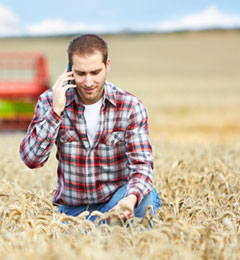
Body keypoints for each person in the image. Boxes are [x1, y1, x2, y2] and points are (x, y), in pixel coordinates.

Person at [19, 34, 161, 224]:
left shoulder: (129, 106)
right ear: (69, 70)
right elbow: (31, 159)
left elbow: (142, 165)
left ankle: (105, 233)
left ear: (107, 65)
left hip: (117, 202)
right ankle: (101, 232)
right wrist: (56, 111)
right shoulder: (50, 101)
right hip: (72, 211)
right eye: (81, 73)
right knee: (83, 235)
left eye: (95, 72)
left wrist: (131, 199)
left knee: (147, 198)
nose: (88, 82)